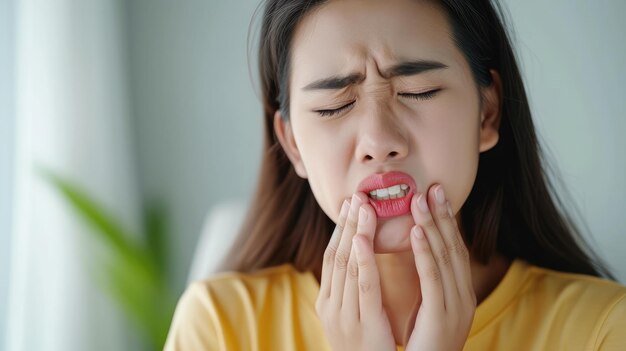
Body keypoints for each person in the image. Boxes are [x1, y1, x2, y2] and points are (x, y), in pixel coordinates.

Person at [164, 0, 626, 350]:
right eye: (334, 105)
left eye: (417, 91)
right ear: (291, 144)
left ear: (487, 112)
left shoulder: (603, 327)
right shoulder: (219, 328)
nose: (379, 139)